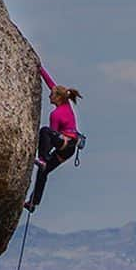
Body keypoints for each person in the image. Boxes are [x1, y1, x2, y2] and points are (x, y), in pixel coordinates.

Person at [25, 64, 82, 212]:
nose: (49, 95)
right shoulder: (66, 103)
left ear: (58, 98)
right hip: (69, 148)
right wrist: (40, 69)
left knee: (45, 131)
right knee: (43, 171)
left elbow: (51, 137)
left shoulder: (55, 115)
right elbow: (51, 83)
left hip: (65, 144)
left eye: (52, 94)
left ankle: (42, 159)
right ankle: (33, 203)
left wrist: (44, 155)